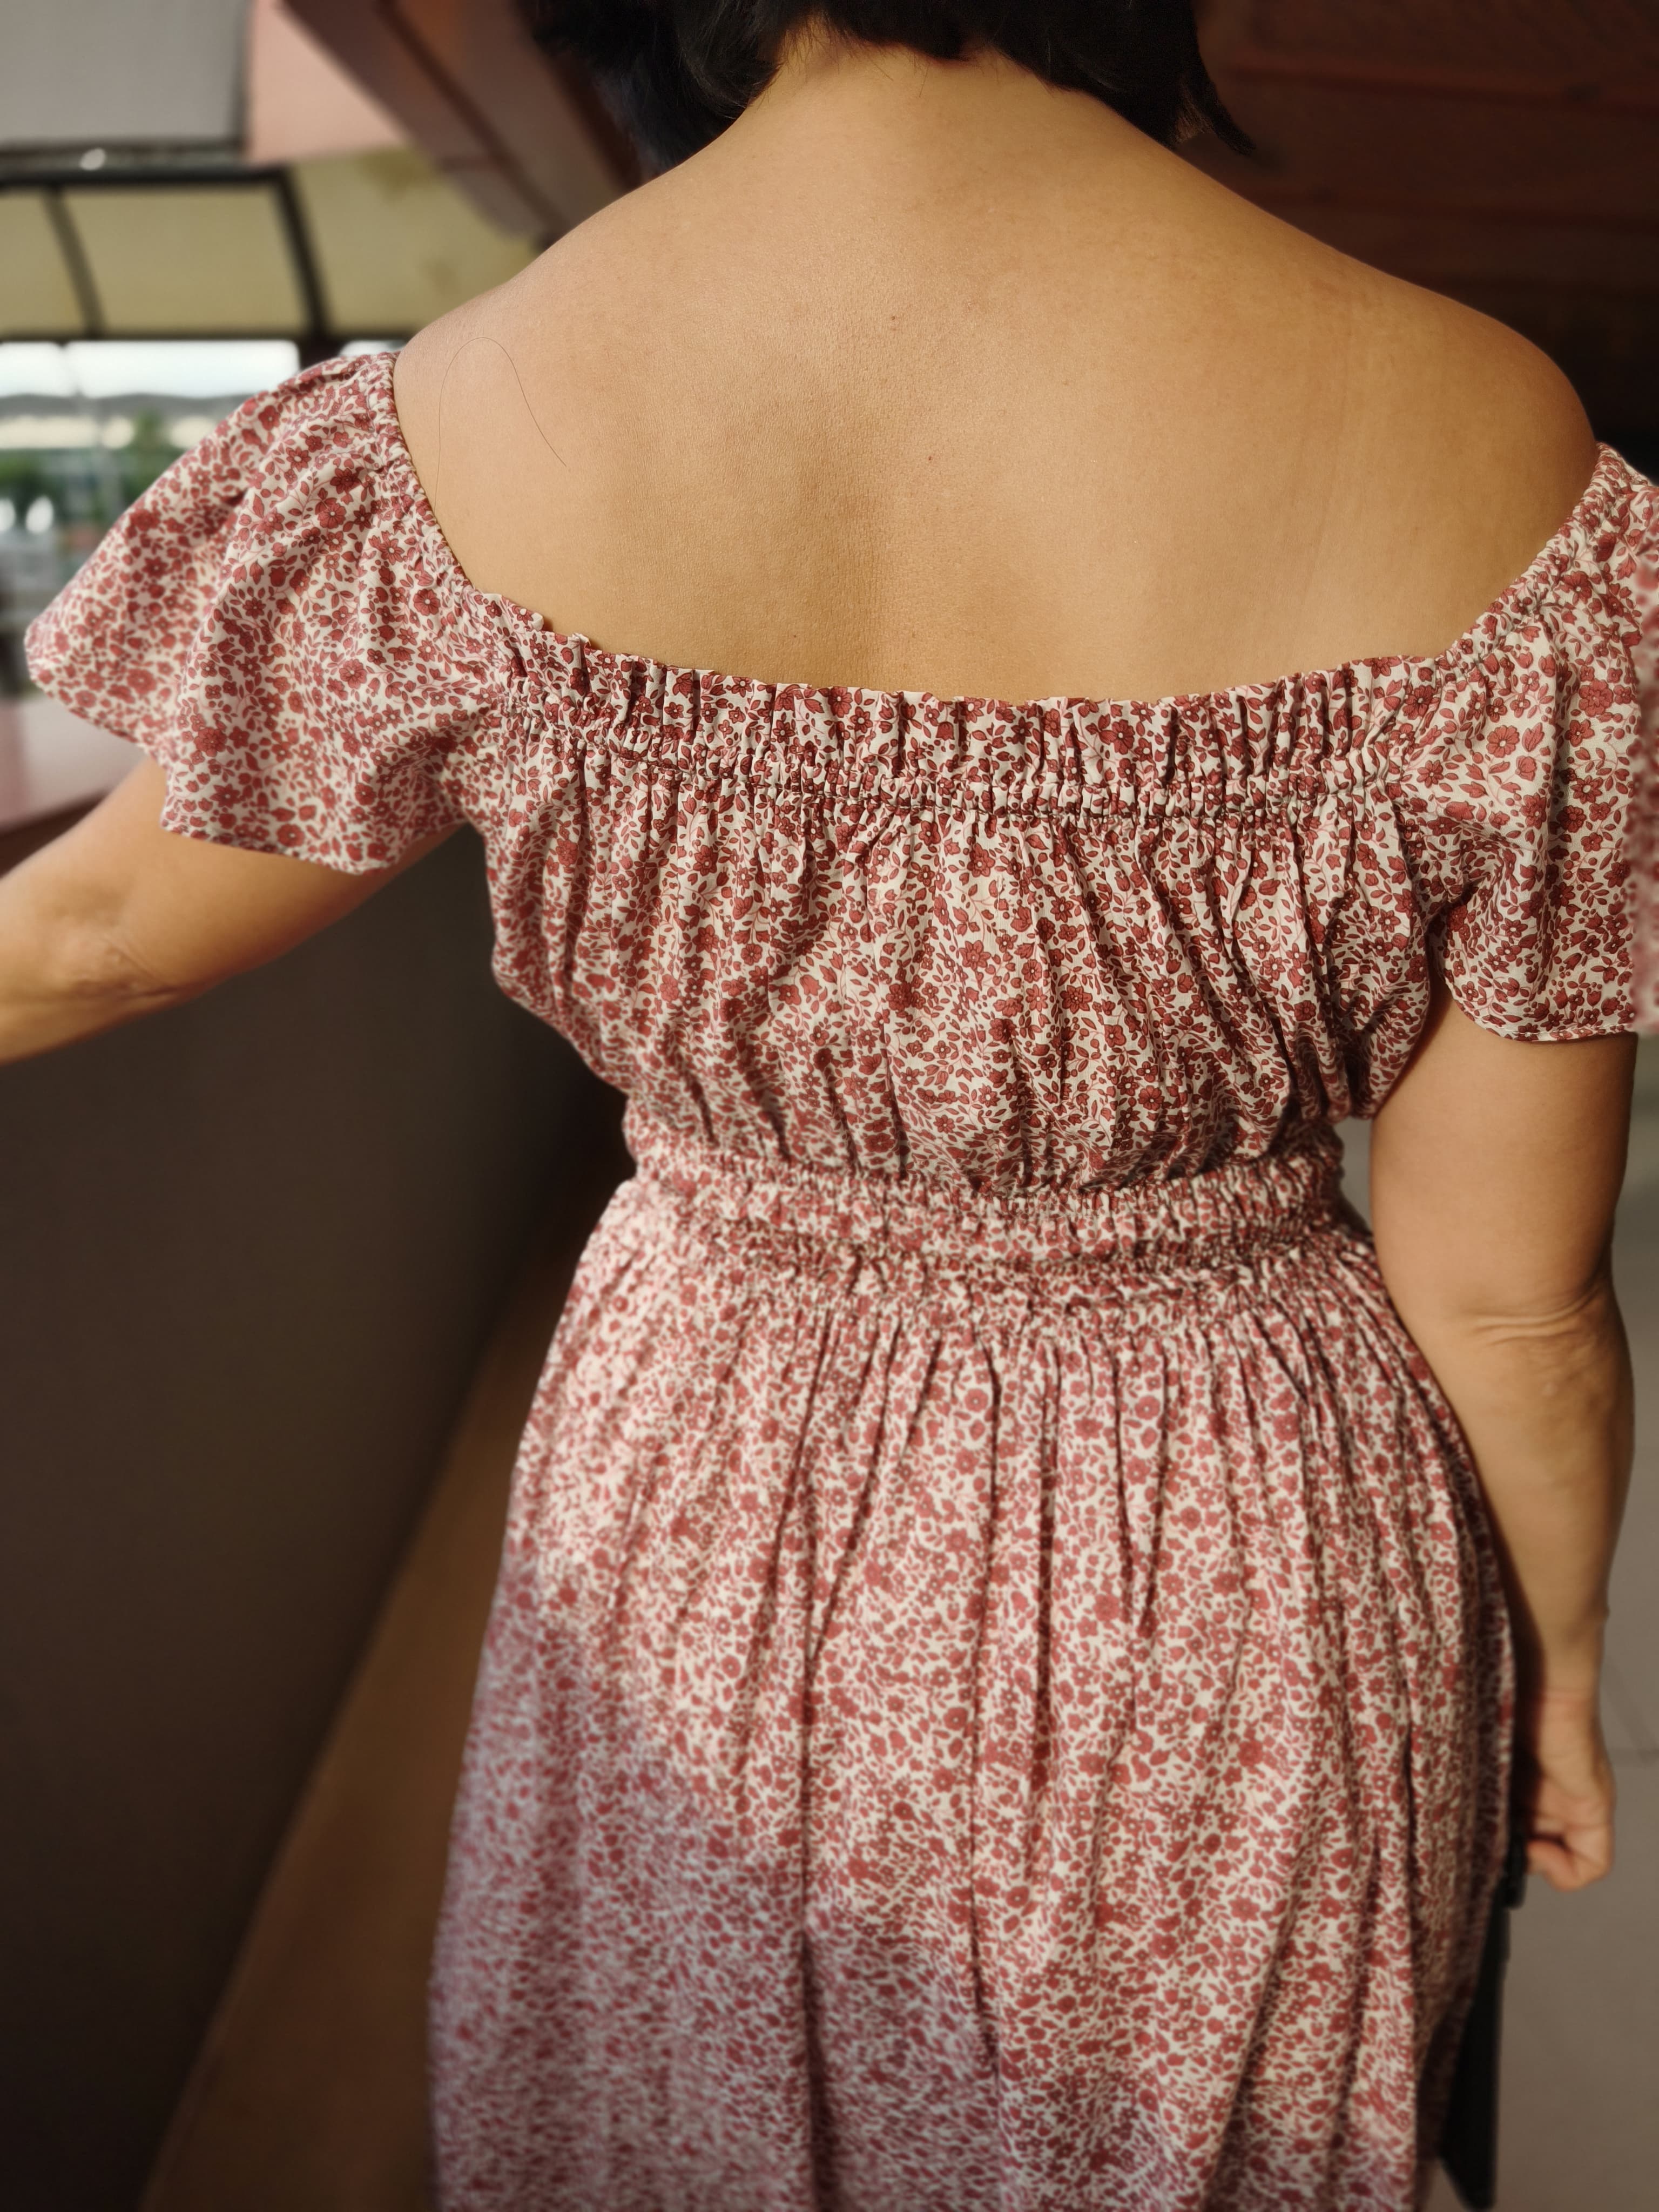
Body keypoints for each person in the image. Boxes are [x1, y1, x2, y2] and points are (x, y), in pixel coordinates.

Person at [2, 5, 1647, 2205]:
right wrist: (1555, 1667)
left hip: (710, 1478)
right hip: (1244, 1531)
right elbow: (1515, 1299)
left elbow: (94, 932)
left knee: (693, 2125)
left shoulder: (478, 410)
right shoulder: (1496, 445)